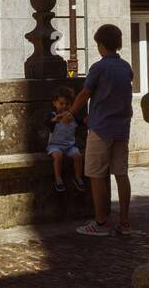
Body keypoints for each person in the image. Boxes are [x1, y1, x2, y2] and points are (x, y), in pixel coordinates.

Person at [57, 24, 134, 236]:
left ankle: (100, 223)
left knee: (96, 174)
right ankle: (125, 222)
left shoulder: (99, 68)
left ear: (101, 45)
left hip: (101, 128)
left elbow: (85, 94)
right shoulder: (126, 67)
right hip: (122, 126)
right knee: (121, 173)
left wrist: (71, 113)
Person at [46, 85, 85, 192]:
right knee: (58, 157)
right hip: (55, 146)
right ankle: (58, 178)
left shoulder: (72, 117)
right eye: (61, 104)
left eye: (67, 104)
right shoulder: (53, 115)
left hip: (69, 146)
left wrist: (86, 121)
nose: (64, 107)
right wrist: (56, 119)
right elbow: (48, 123)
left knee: (78, 156)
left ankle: (78, 177)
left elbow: (81, 123)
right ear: (55, 103)